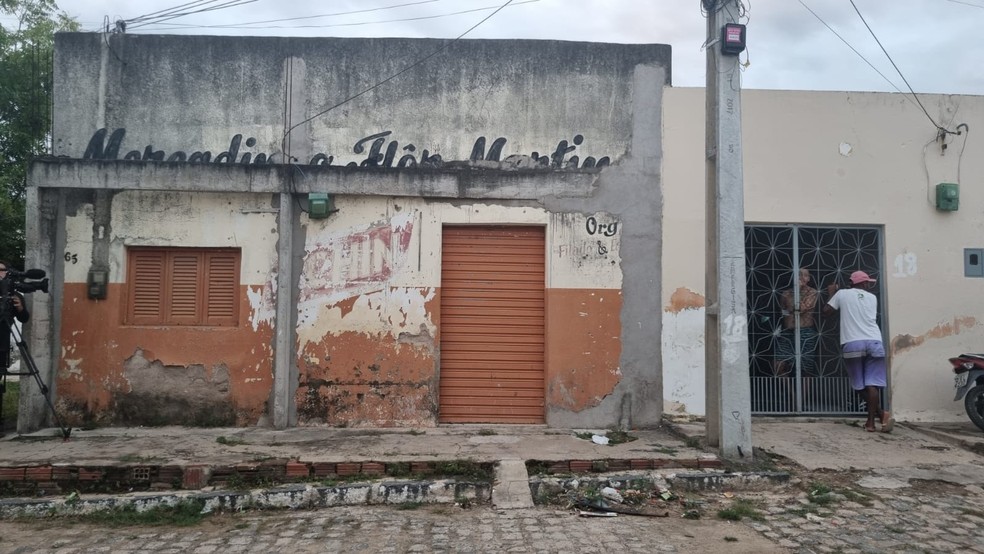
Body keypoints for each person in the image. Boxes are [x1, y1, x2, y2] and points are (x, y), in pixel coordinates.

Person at [823, 270, 892, 433]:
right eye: (867, 282)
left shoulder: (842, 294)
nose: (868, 284)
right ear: (864, 284)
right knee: (872, 384)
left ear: (851, 283)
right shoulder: (872, 298)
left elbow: (826, 312)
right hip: (874, 341)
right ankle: (875, 420)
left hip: (853, 343)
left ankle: (877, 418)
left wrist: (831, 293)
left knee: (859, 385)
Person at [775, 268, 819, 378]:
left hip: (805, 331)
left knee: (806, 367)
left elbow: (799, 309)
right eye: (798, 275)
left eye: (804, 275)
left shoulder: (812, 292)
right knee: (778, 364)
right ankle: (790, 390)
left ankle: (804, 390)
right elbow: (783, 311)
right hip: (788, 332)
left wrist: (798, 290)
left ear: (808, 279)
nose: (801, 278)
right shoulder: (786, 293)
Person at [0, 261, 30, 372]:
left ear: (7, 273)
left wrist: (20, 307)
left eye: (1, 270)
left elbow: (24, 318)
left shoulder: (14, 296)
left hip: (2, 344)